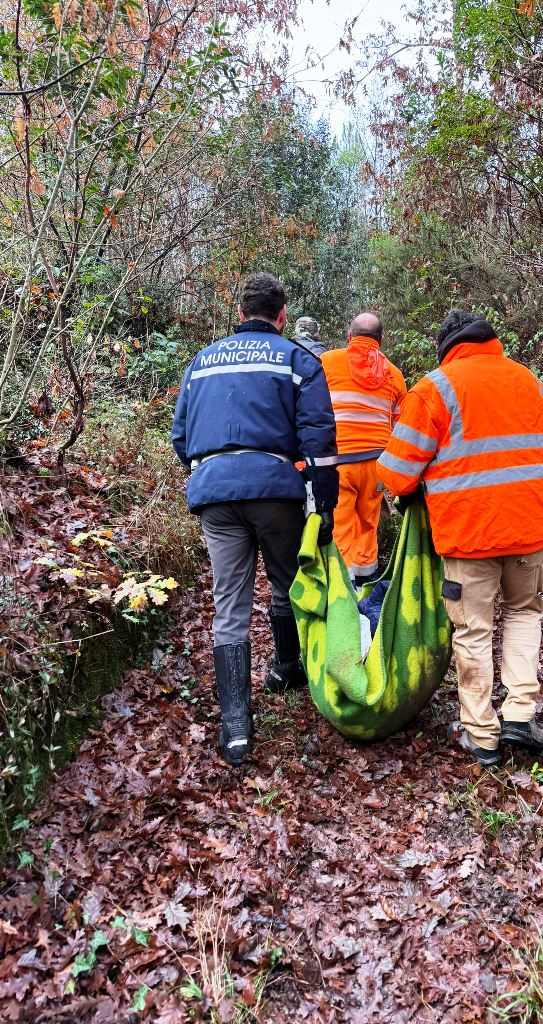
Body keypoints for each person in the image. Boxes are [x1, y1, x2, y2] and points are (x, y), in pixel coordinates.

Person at [377, 310, 543, 767]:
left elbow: (396, 474)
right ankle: (520, 713)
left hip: (469, 534)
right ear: (489, 340)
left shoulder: (435, 390)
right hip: (529, 528)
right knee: (523, 614)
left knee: (474, 630)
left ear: (446, 348)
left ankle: (481, 734)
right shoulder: (532, 383)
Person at [172, 273, 338, 767]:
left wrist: (212, 472)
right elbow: (319, 439)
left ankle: (237, 728)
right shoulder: (297, 360)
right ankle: (288, 668)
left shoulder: (202, 361)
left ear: (239, 311)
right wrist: (323, 505)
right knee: (286, 582)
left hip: (215, 492)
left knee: (229, 602)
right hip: (275, 490)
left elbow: (181, 437)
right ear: (283, 314)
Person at [321, 313, 407, 587]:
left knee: (341, 523)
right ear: (381, 340)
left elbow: (312, 411)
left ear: (349, 336)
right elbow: (401, 427)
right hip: (375, 464)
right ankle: (366, 582)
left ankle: (343, 588)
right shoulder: (394, 374)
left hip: (339, 462)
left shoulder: (326, 363)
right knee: (368, 523)